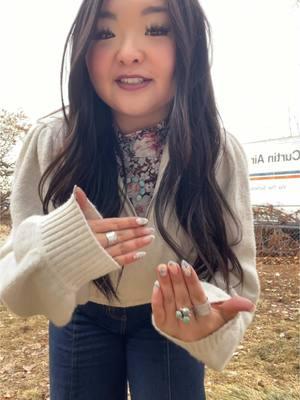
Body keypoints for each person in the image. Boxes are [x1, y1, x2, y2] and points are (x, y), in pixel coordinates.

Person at [0, 0, 260, 399]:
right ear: (83, 52)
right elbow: (16, 270)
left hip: (173, 319)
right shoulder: (53, 142)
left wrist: (208, 314)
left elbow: (234, 270)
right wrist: (60, 248)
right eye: (104, 34)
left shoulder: (218, 153)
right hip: (81, 317)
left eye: (156, 30)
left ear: (190, 45)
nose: (128, 52)